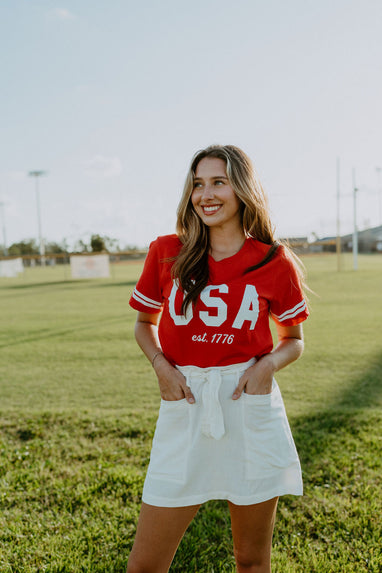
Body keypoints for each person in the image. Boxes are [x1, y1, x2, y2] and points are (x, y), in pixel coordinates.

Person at [127, 144, 309, 573]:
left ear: (242, 189)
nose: (205, 194)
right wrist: (160, 367)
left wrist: (267, 366)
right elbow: (142, 324)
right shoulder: (167, 251)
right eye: (197, 184)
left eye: (218, 182)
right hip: (185, 403)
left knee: (250, 560)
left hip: (248, 407)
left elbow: (293, 339)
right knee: (144, 565)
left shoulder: (272, 260)